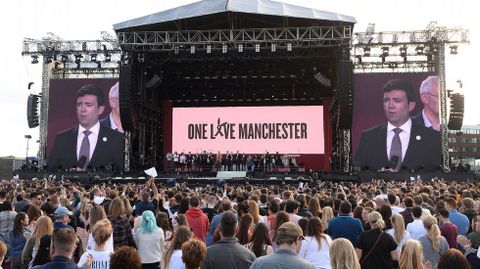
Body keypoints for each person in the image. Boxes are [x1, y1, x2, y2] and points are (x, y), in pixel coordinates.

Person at [354, 79, 441, 171]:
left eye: (397, 101)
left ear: (411, 105)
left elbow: (438, 174)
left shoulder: (431, 138)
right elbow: (358, 172)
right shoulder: (369, 137)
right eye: (386, 100)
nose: (390, 106)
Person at [47, 84, 124, 172]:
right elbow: (50, 172)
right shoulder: (62, 138)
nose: (83, 109)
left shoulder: (116, 139)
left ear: (100, 109)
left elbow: (122, 174)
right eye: (79, 105)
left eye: (88, 105)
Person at [250, 222, 315, 269]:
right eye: (302, 240)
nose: (301, 244)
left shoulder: (259, 263)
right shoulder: (308, 267)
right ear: (298, 239)